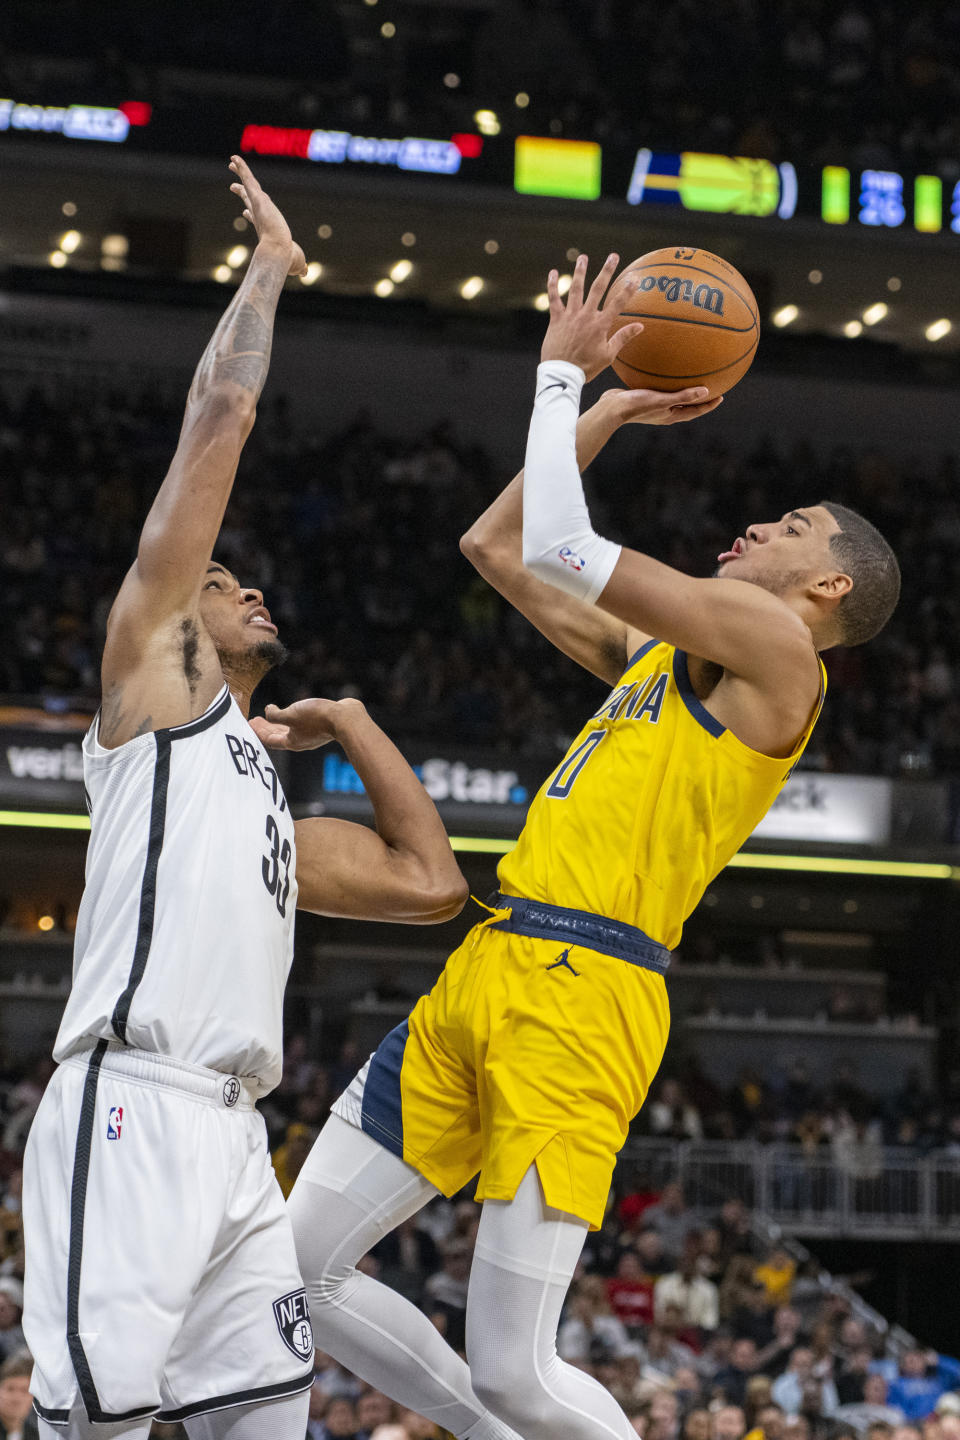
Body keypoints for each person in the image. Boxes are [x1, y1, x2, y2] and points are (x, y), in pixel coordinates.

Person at [288, 252, 900, 1440]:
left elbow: (570, 550)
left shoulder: (780, 654)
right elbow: (497, 544)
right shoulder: (666, 662)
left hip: (588, 992)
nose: (760, 521)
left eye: (792, 525)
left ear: (826, 585)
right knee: (290, 1273)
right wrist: (610, 407)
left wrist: (564, 382)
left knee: (517, 1371)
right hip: (489, 966)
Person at [21, 158, 467, 1440]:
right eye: (224, 577)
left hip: (235, 1135)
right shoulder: (158, 687)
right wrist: (269, 266)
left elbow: (430, 884)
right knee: (94, 1419)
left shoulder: (266, 803)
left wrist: (358, 725)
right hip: (131, 1105)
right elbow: (218, 413)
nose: (245, 584)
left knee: (264, 1421)